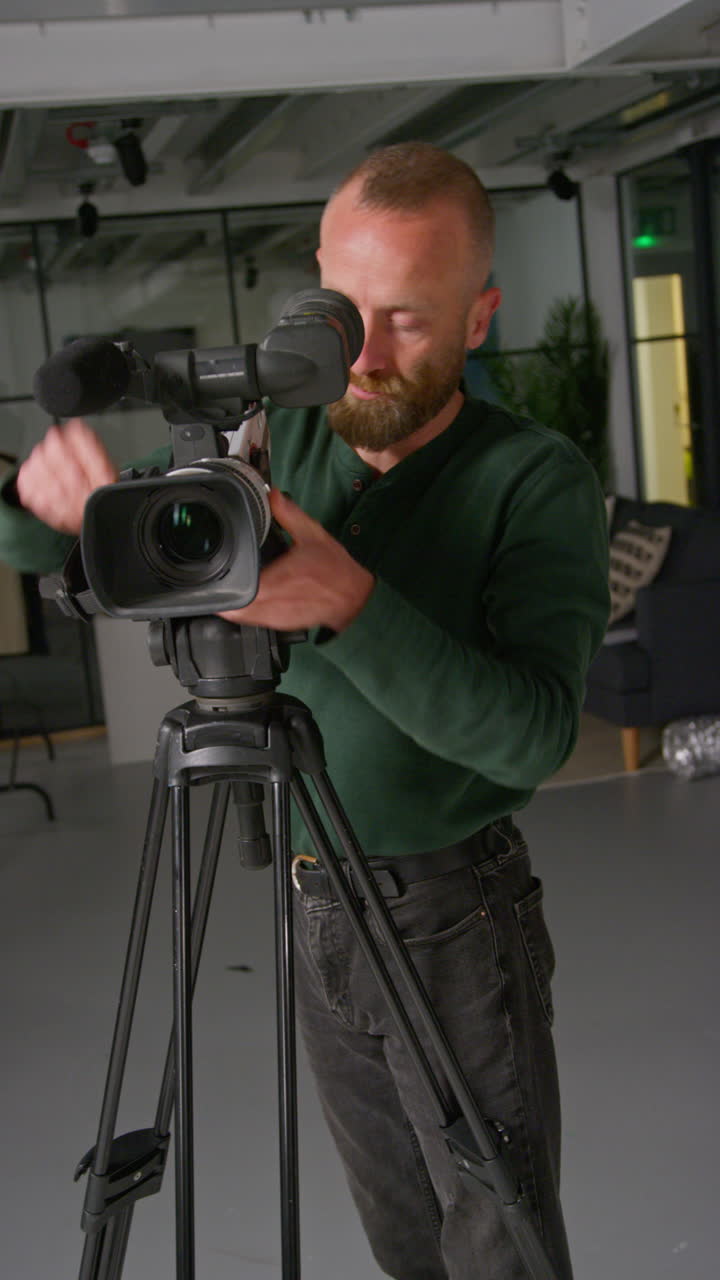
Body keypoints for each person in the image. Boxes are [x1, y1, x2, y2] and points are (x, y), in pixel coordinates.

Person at [0, 142, 609, 1279]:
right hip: (308, 891)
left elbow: (532, 735)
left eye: (408, 320)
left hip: (452, 912)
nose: (363, 357)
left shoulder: (534, 477)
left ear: (480, 317)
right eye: (343, 314)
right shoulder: (270, 440)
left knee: (496, 1243)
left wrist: (349, 604)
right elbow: (76, 541)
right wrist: (39, 501)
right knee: (402, 1238)